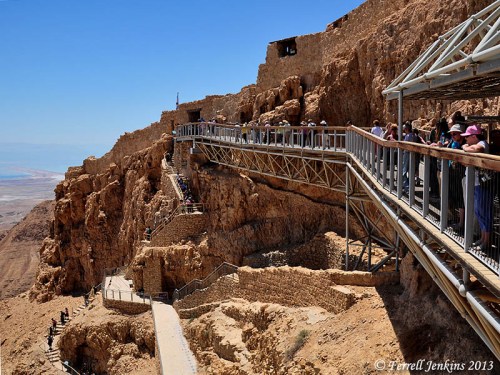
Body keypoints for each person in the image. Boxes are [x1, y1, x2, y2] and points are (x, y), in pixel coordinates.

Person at [461, 125, 492, 252]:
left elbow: (476, 149)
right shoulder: (476, 143)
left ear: (474, 136)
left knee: (484, 211)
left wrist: (465, 147)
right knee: (479, 211)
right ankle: (483, 238)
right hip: (477, 183)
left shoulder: (482, 143)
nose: (466, 140)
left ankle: (486, 241)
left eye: (467, 137)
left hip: (483, 184)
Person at [447, 124, 466, 232]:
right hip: (453, 173)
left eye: (455, 134)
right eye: (452, 134)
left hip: (462, 174)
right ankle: (458, 220)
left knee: (461, 199)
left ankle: (462, 223)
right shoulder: (453, 143)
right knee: (455, 197)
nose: (453, 136)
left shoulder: (465, 145)